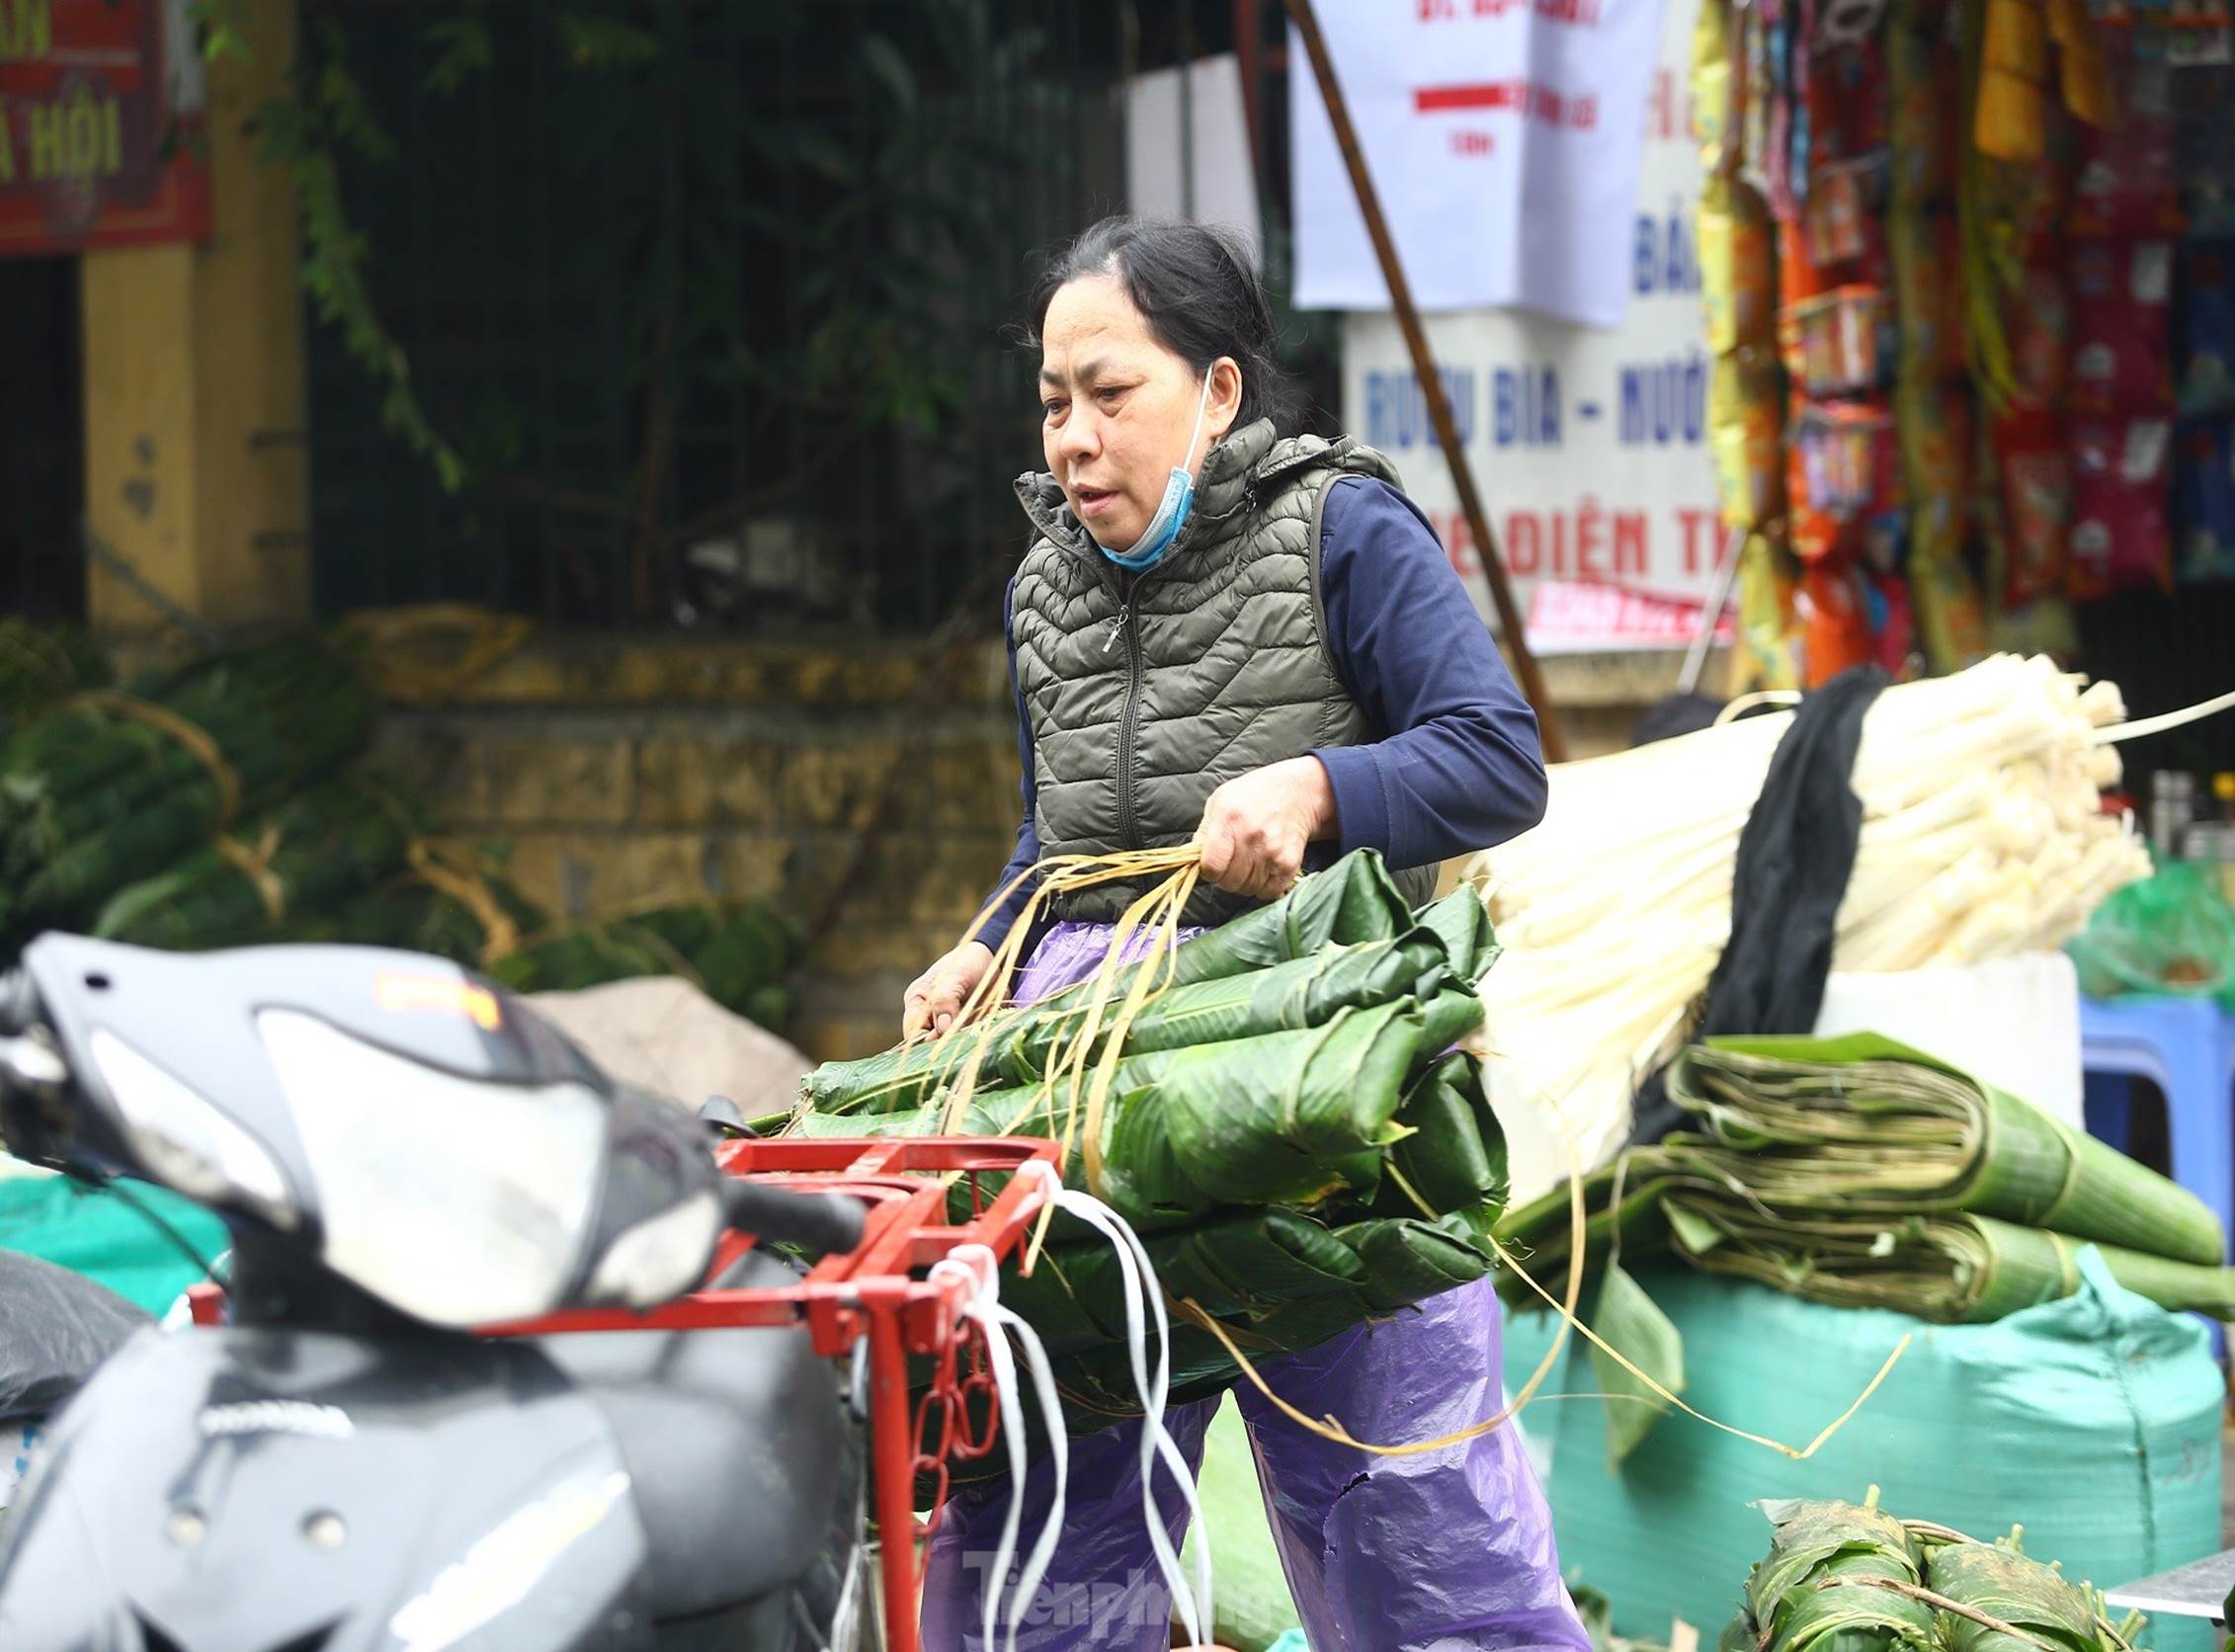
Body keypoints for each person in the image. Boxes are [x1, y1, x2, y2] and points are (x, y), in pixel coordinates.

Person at [907, 216, 1586, 1652]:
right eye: (1051, 402)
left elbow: (1496, 757)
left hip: (1314, 1090)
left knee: (1406, 1521)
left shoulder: (1341, 526)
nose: (1076, 439)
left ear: (1217, 394)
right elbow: (1066, 840)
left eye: (1111, 393)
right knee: (1048, 1496)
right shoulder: (1046, 583)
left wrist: (1324, 787)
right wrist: (985, 941)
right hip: (1101, 1102)